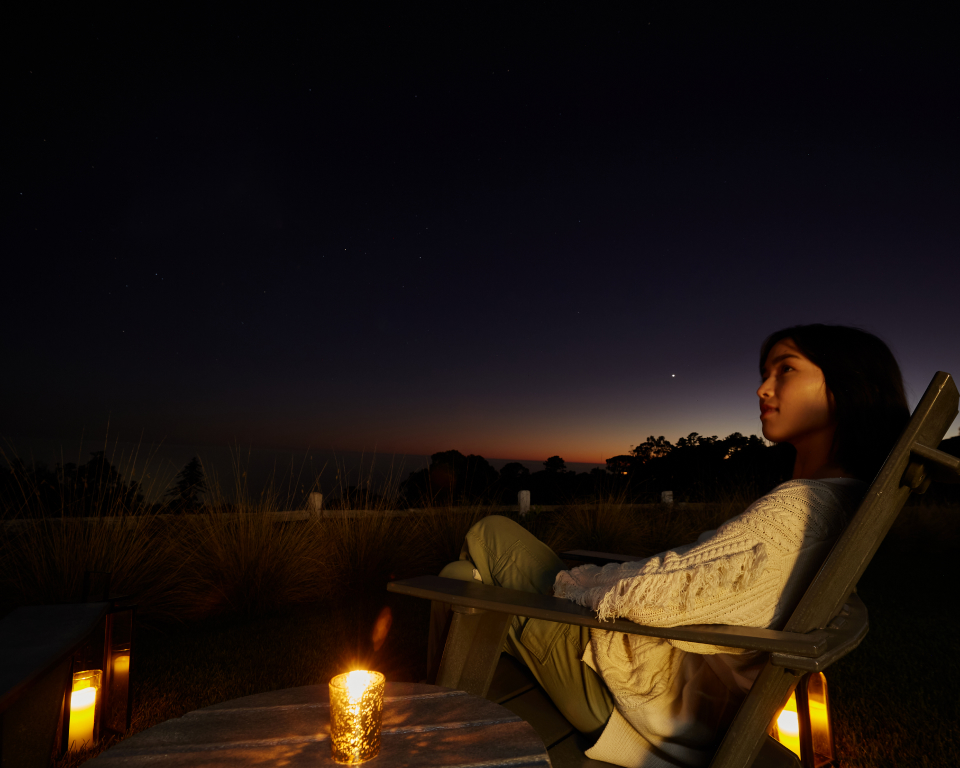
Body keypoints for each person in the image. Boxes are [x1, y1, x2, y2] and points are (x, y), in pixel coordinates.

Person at [430, 324, 910, 768]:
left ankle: (443, 726)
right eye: (765, 374)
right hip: (691, 702)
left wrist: (580, 579)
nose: (763, 388)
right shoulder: (845, 503)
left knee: (489, 534)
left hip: (630, 692)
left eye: (786, 369)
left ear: (849, 388)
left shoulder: (799, 512)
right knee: (469, 575)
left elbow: (650, 596)